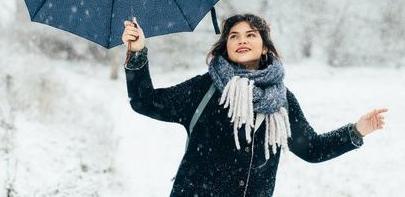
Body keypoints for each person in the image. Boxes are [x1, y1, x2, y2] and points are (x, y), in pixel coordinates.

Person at [122, 14, 387, 197]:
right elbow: (145, 101)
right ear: (226, 47)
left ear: (264, 48)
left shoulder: (281, 100)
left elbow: (312, 148)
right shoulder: (204, 89)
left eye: (251, 35)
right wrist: (137, 52)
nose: (242, 40)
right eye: (234, 36)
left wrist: (356, 131)